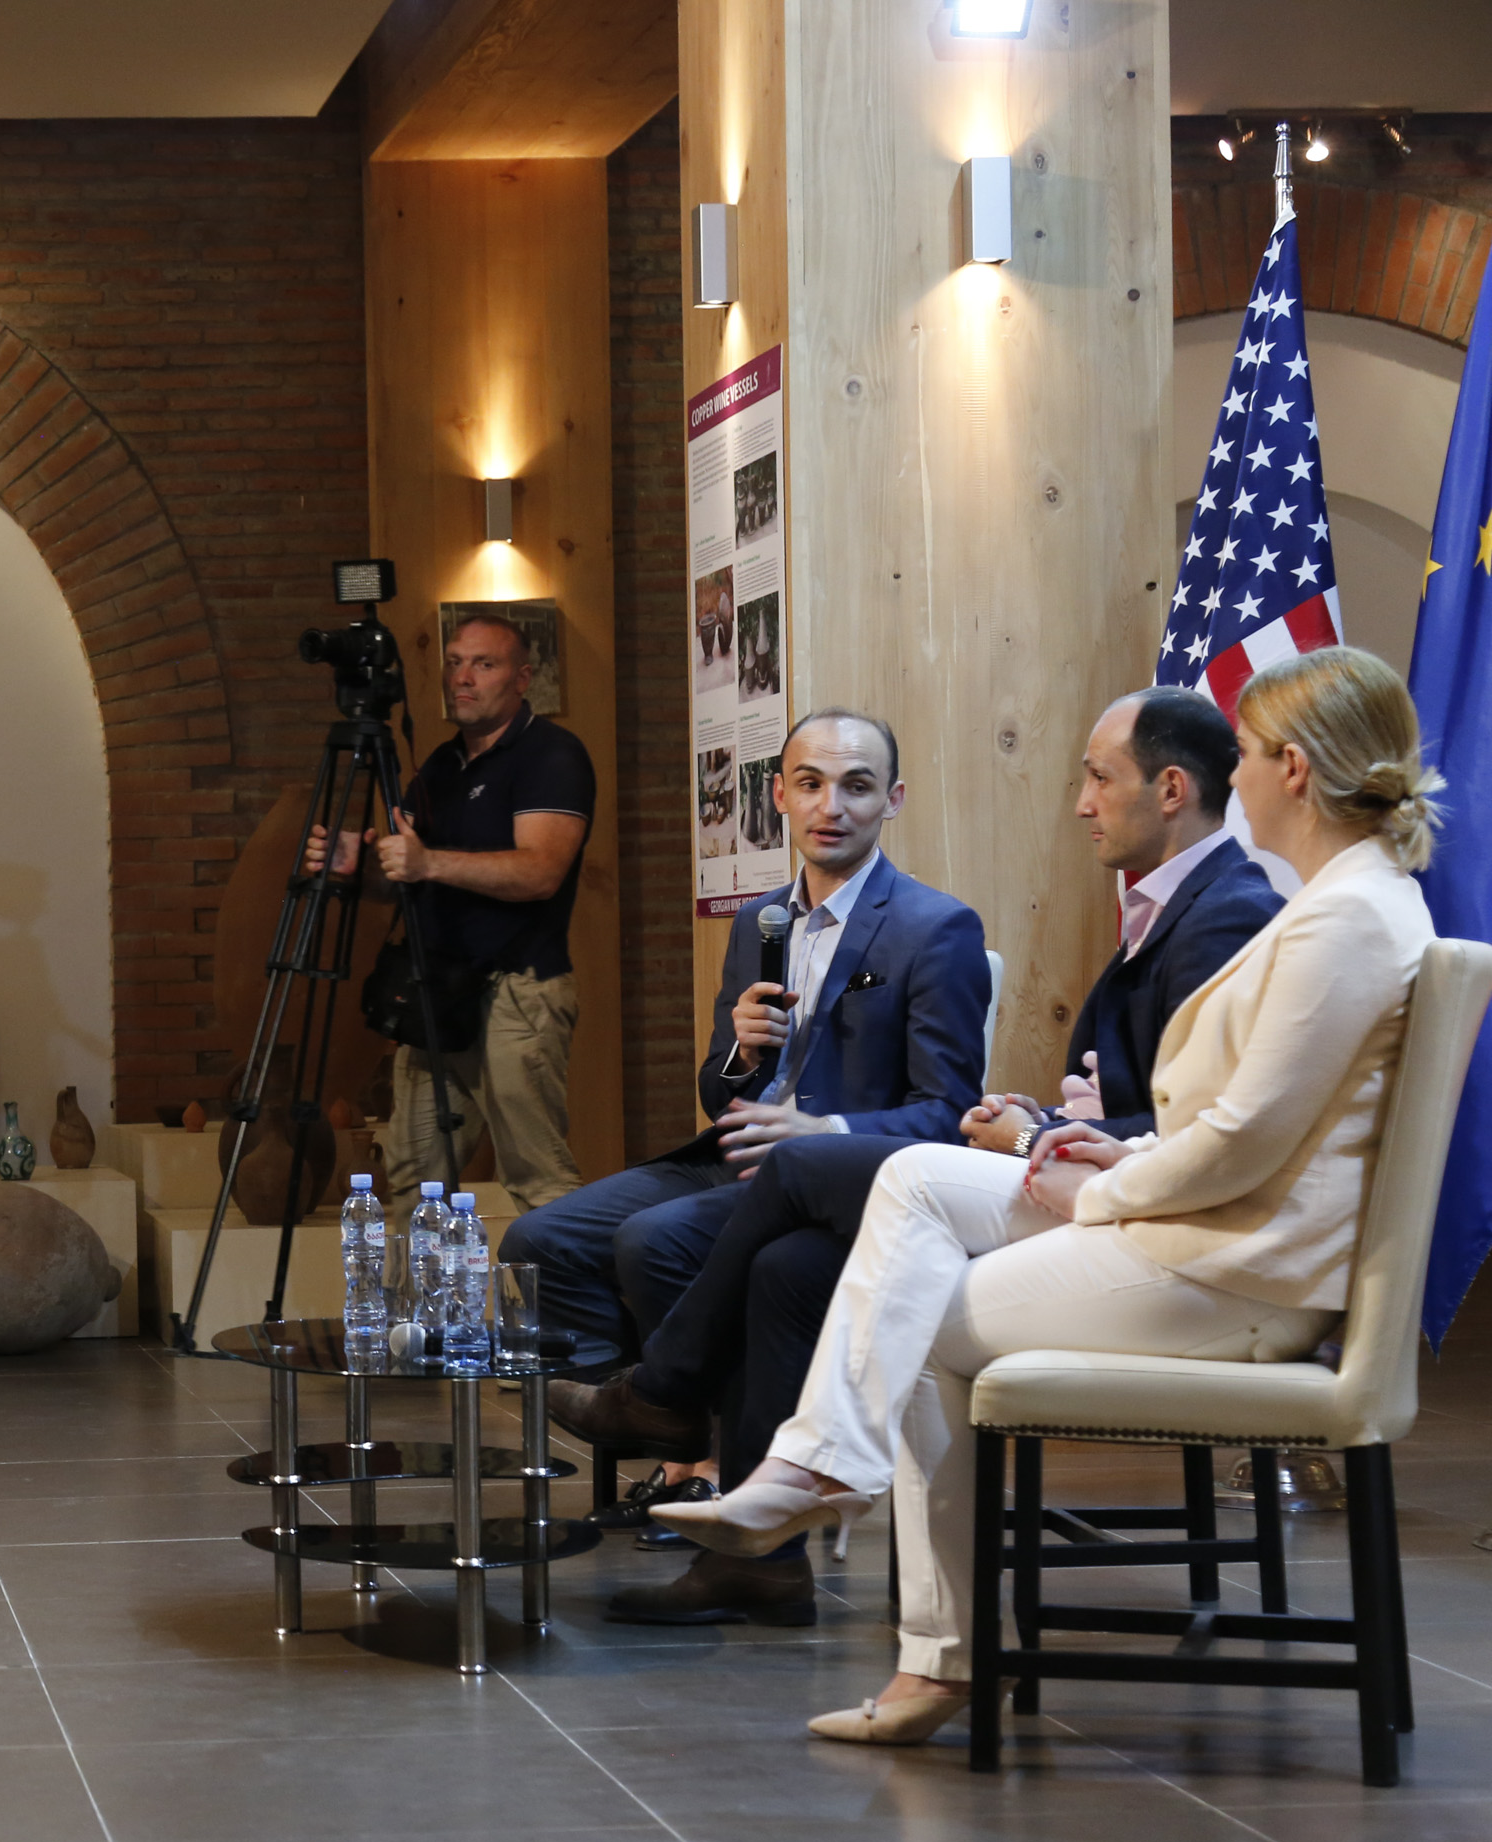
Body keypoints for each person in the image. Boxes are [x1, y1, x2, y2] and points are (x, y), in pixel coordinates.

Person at [652, 648, 1440, 1744]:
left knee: (920, 1315)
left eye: (1250, 755)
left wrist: (1097, 1188)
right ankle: (817, 1464)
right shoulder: (1346, 903)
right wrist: (1105, 1153)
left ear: (1294, 770)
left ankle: (929, 1646)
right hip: (1215, 1225)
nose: (1236, 776)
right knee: (914, 1178)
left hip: (1236, 1268)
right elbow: (1245, 1126)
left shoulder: (1344, 917)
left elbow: (1241, 1143)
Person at [557, 686, 1285, 1625]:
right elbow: (1150, 1094)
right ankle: (759, 1561)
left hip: (1137, 1228)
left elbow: (1215, 1127)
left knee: (770, 1188)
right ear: (779, 794)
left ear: (1172, 788)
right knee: (777, 1265)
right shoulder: (1168, 903)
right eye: (809, 783)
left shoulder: (1220, 911)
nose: (1081, 803)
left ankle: (663, 1394)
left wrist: (1032, 1134)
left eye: (1098, 778)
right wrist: (1038, 1112)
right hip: (1047, 1178)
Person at [497, 708, 990, 1378]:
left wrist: (823, 1132)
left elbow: (948, 1113)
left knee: (651, 1241)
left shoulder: (934, 927)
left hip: (831, 1176)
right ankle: (639, 1404)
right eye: (810, 784)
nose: (831, 807)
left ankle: (691, 1423)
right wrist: (743, 1054)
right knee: (536, 1240)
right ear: (781, 794)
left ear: (892, 800)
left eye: (857, 786)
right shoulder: (760, 919)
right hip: (733, 1158)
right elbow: (715, 1092)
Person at [303, 611, 593, 1214]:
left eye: (483, 664)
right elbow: (405, 878)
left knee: (537, 1178)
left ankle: (564, 1280)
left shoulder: (550, 754)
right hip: (437, 995)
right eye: (455, 662)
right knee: (412, 1179)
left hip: (517, 991)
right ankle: (426, 1282)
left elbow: (541, 872)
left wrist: (428, 861)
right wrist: (354, 866)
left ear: (521, 678)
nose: (463, 677)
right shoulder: (439, 764)